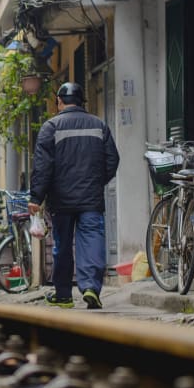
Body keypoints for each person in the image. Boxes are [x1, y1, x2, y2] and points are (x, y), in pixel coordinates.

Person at [28, 82, 120, 310]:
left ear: (59, 101)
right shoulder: (99, 125)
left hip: (62, 200)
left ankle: (63, 294)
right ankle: (90, 287)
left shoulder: (51, 127)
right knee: (92, 240)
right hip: (91, 198)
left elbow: (42, 167)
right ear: (82, 102)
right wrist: (97, 182)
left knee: (62, 245)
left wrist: (36, 197)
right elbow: (112, 160)